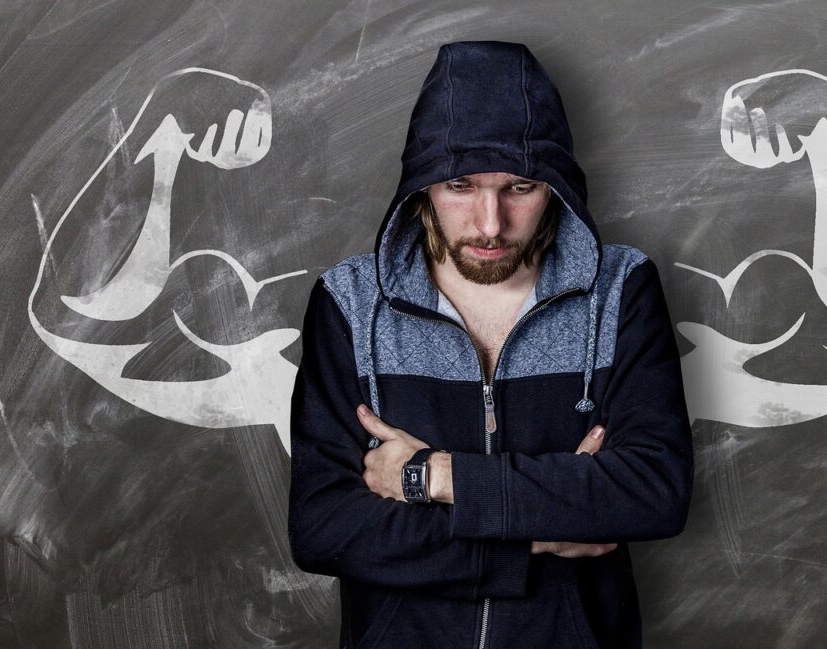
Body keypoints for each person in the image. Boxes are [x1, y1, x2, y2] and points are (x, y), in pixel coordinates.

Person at [288, 40, 694, 649]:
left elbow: (652, 493)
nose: (489, 224)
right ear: (422, 186)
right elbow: (324, 528)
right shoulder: (350, 302)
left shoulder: (621, 290)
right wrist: (534, 538)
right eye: (459, 186)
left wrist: (437, 479)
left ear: (555, 187)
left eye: (520, 188)